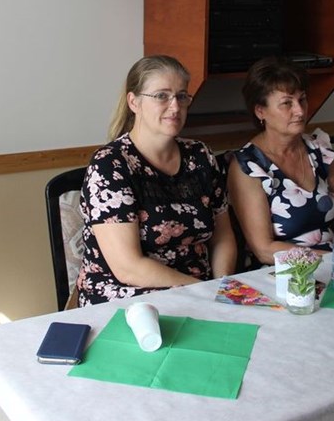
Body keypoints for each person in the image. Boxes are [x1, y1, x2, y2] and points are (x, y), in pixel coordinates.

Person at [77, 55, 237, 306]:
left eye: (181, 96)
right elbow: (128, 268)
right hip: (127, 300)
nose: (175, 107)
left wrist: (222, 288)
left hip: (199, 293)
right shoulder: (110, 164)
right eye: (162, 96)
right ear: (134, 102)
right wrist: (203, 292)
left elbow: (223, 238)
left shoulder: (200, 155)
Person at [228, 57, 334, 265]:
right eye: (287, 103)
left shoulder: (320, 150)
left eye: (302, 99)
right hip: (283, 271)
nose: (300, 111)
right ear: (260, 111)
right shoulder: (249, 167)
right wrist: (333, 260)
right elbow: (264, 249)